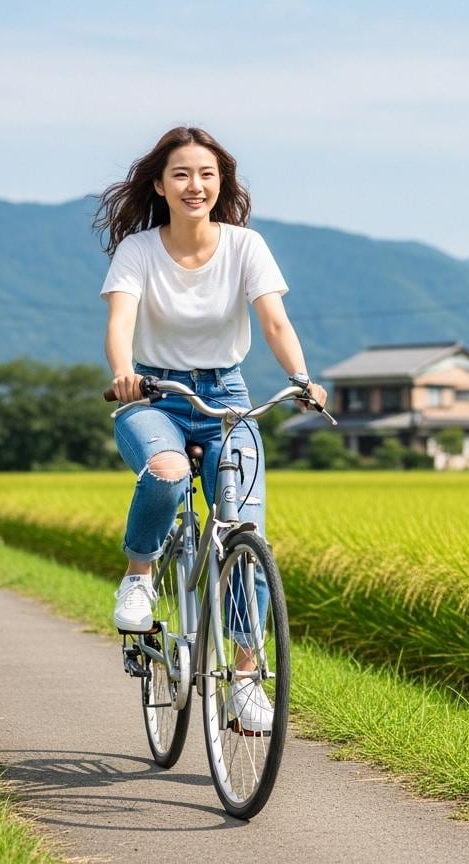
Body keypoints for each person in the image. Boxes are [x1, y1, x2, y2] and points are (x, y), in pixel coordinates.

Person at [93, 125, 327, 731]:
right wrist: (124, 375)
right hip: (154, 394)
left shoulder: (246, 246)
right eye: (181, 175)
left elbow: (273, 321)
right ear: (160, 185)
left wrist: (301, 377)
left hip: (227, 394)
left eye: (206, 174)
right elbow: (121, 321)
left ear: (221, 183)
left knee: (244, 534)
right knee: (167, 473)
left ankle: (245, 680)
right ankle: (140, 576)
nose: (195, 185)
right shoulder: (138, 251)